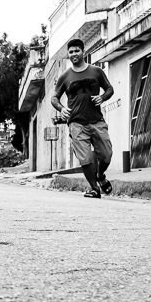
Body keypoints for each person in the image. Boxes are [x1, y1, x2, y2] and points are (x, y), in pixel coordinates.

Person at [51, 38, 114, 198]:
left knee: (106, 154)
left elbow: (109, 89)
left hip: (97, 120)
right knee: (85, 159)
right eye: (71, 52)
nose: (74, 54)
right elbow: (54, 98)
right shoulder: (65, 76)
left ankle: (100, 175)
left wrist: (102, 98)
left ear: (83, 52)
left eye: (76, 51)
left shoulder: (96, 71)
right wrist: (61, 108)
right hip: (76, 123)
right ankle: (94, 189)